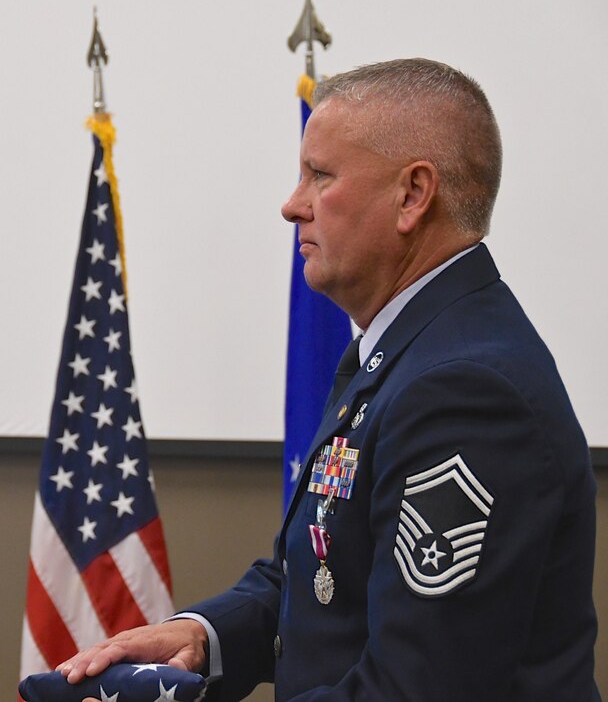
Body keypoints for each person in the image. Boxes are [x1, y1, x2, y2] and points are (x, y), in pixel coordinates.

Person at [55, 59, 600, 700]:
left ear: (412, 195)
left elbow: (416, 688)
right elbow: (324, 569)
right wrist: (205, 635)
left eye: (320, 175)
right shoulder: (404, 350)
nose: (292, 205)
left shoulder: (466, 389)